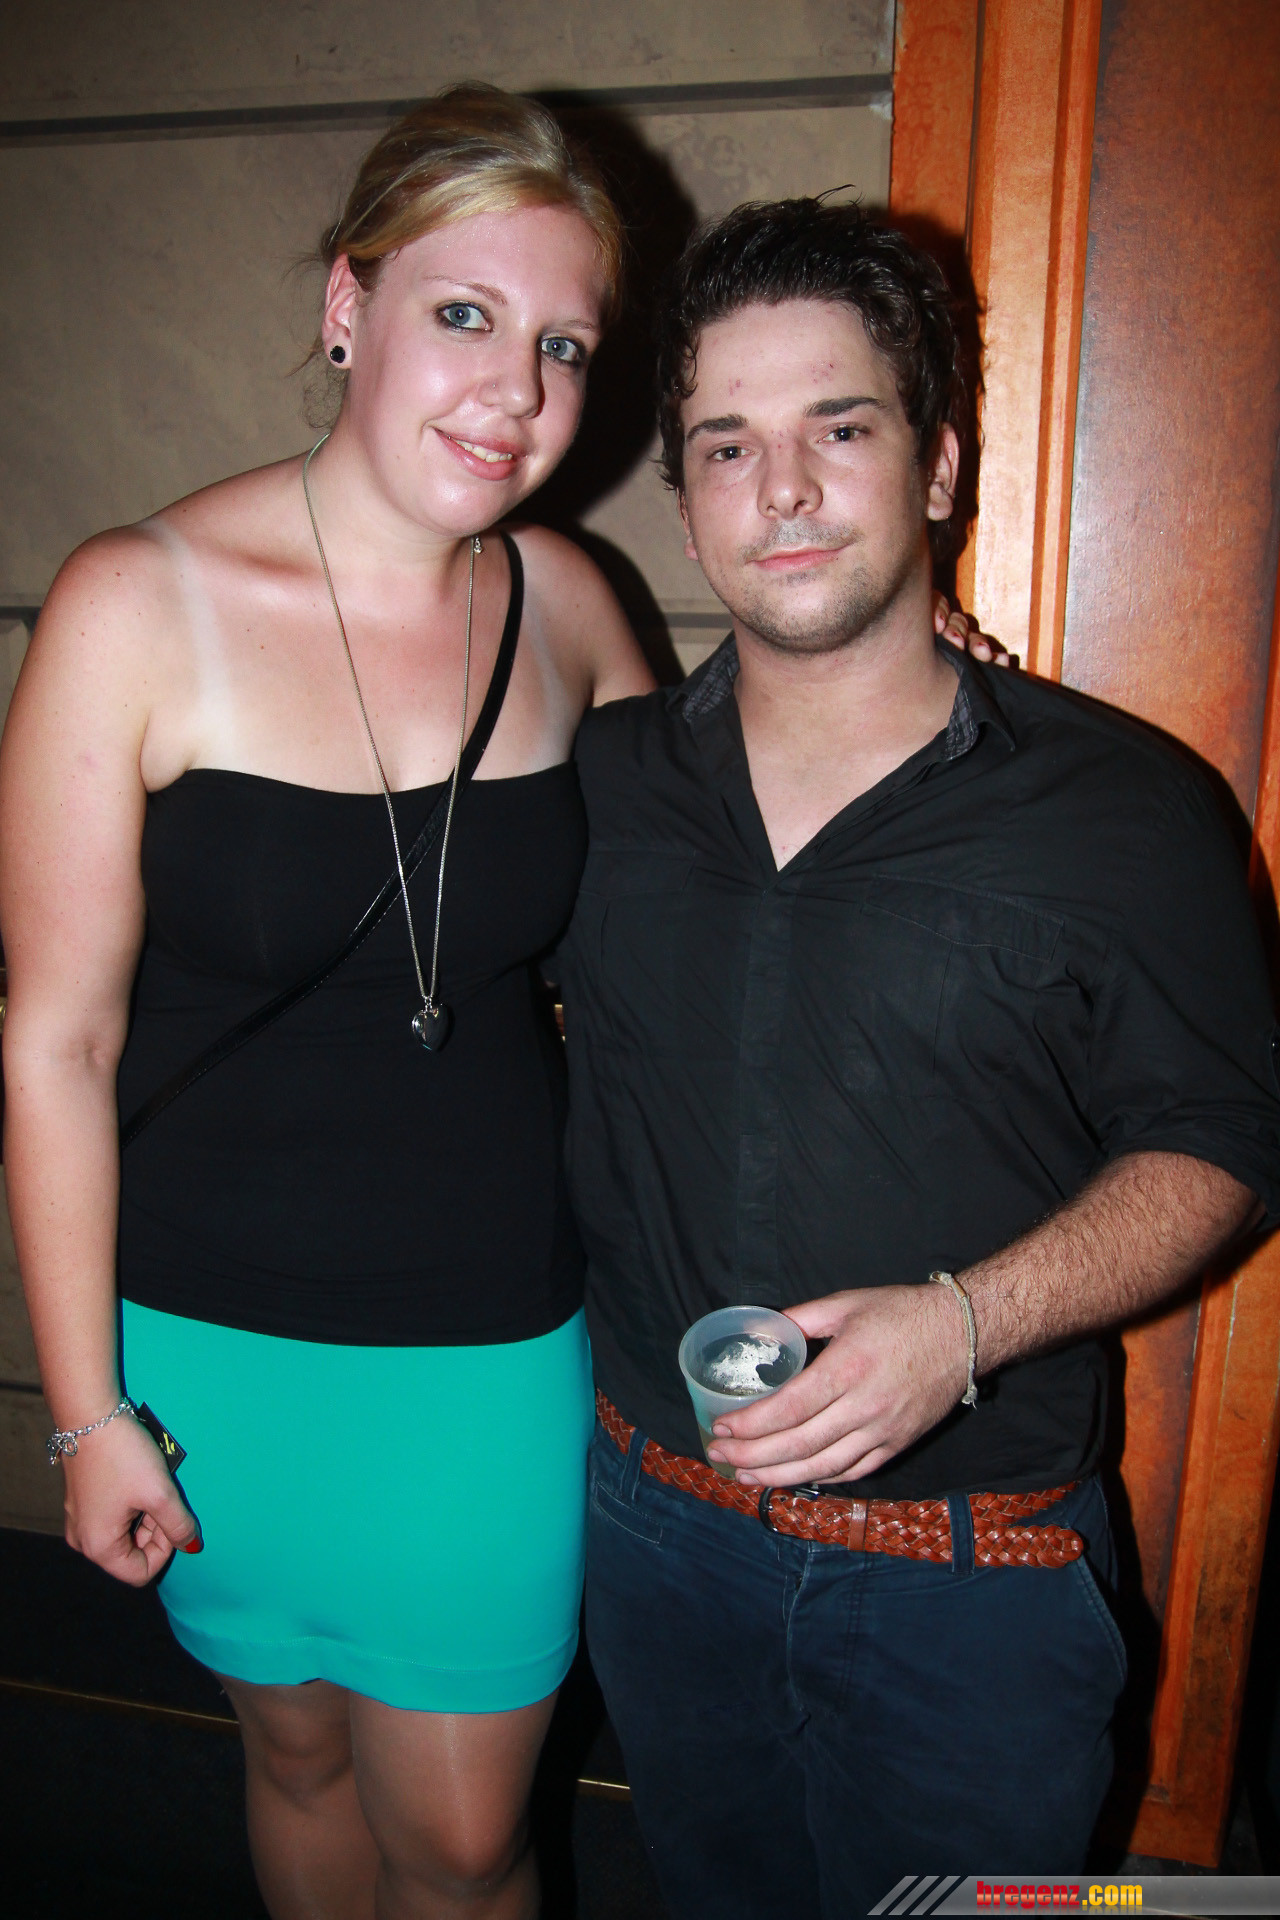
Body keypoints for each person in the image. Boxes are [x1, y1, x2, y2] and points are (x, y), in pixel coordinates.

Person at [559, 197, 1280, 1917]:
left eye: (840, 428)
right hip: (653, 1538)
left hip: (971, 1587)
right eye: (727, 444)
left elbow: (1226, 1137)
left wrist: (965, 1323)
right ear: (685, 496)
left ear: (939, 465)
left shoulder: (1126, 806)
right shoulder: (598, 785)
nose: (782, 491)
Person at [0, 86, 654, 1920]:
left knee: (461, 1842)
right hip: (199, 1341)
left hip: (485, 1341)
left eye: (562, 346)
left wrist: (917, 673)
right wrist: (86, 1413)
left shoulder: (570, 602)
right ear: (347, 304)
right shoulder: (134, 603)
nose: (515, 391)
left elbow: (723, 856)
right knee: (288, 1756)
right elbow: (55, 1041)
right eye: (465, 314)